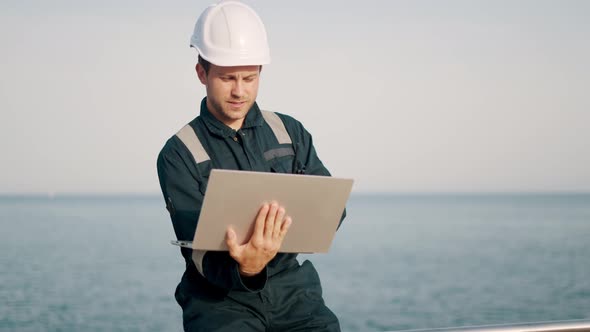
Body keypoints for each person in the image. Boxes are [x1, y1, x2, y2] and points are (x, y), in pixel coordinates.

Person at [157, 1, 345, 331]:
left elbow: (329, 208)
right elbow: (198, 253)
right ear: (202, 73)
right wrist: (247, 267)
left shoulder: (289, 131)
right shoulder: (179, 153)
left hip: (295, 295)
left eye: (249, 77)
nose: (240, 91)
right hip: (219, 303)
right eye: (228, 78)